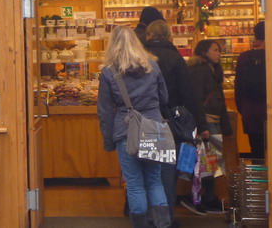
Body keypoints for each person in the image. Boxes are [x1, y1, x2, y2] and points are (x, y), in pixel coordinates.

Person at [97, 26, 171, 228]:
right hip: (154, 127)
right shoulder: (152, 66)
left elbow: (104, 111)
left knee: (135, 184)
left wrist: (108, 141)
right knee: (155, 181)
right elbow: (164, 98)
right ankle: (162, 224)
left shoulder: (109, 72)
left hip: (126, 129)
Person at [144, 20, 208, 226]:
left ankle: (148, 216)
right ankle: (166, 218)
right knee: (167, 172)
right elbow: (188, 94)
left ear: (148, 35)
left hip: (144, 119)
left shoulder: (140, 57)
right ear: (169, 35)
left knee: (146, 170)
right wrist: (201, 123)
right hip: (172, 120)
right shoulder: (175, 58)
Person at [185, 39, 232, 215]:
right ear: (205, 52)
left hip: (212, 121)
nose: (219, 53)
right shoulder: (200, 71)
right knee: (208, 161)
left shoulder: (210, 70)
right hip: (207, 121)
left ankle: (207, 197)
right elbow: (196, 99)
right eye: (215, 50)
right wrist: (202, 124)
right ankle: (205, 197)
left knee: (210, 161)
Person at [235, 21, 266, 158]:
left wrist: (243, 109)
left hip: (250, 111)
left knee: (256, 151)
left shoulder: (244, 57)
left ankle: (259, 177)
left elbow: (238, 88)